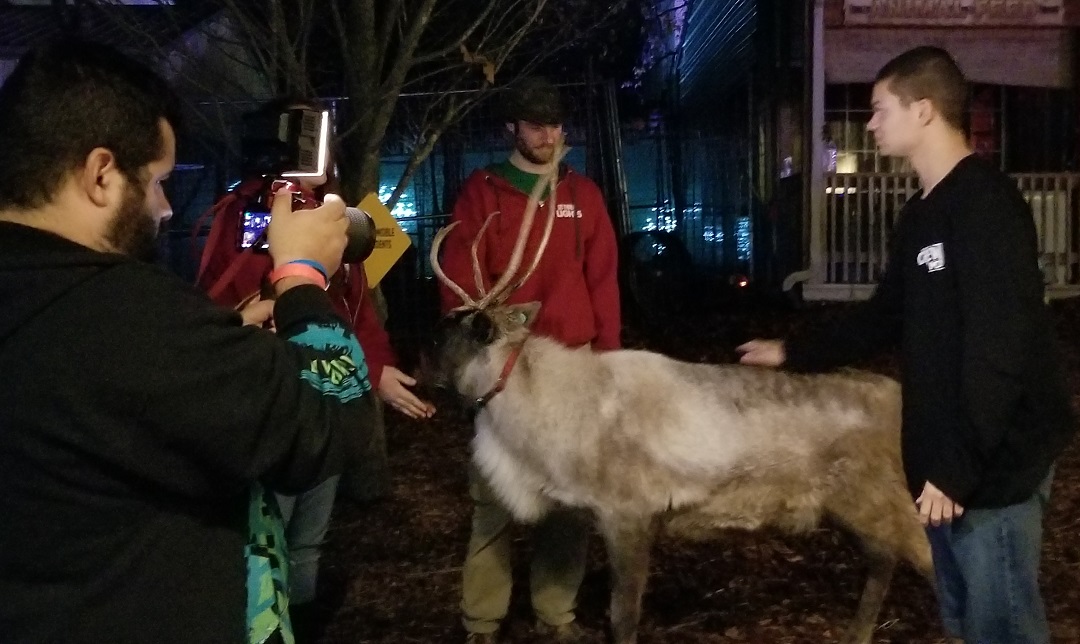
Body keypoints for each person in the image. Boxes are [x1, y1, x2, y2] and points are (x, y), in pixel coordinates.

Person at [0, 41, 377, 644]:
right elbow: (334, 427)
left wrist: (217, 337)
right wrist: (302, 276)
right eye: (156, 182)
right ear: (100, 174)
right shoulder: (124, 314)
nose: (167, 208)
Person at [738, 46, 1076, 644]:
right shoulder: (922, 214)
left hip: (994, 467)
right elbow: (886, 314)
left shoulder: (986, 207)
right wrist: (793, 354)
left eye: (879, 109)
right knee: (967, 619)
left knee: (1003, 629)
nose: (869, 124)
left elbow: (999, 349)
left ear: (923, 111)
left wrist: (955, 468)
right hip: (947, 463)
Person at [196, 98, 435, 622]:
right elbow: (222, 301)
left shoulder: (334, 214)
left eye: (320, 137)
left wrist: (375, 369)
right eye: (305, 137)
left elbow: (356, 309)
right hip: (271, 398)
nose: (318, 151)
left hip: (325, 394)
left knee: (309, 539)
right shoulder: (245, 214)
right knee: (265, 538)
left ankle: (299, 618)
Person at [438, 77, 621, 643]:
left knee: (568, 500)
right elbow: (461, 277)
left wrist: (608, 364)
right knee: (495, 496)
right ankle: (482, 620)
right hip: (508, 373)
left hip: (574, 369)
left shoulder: (582, 196)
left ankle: (555, 615)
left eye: (556, 124)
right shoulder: (484, 192)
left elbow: (604, 280)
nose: (549, 134)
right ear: (512, 128)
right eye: (536, 124)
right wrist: (478, 324)